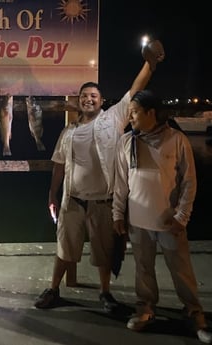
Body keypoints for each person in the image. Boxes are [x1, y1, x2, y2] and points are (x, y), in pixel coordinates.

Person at [34, 55, 163, 310]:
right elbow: (59, 165)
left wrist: (150, 64)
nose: (88, 99)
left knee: (103, 251)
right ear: (78, 101)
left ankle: (105, 293)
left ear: (101, 100)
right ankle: (53, 289)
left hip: (103, 201)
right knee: (64, 248)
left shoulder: (113, 119)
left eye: (93, 95)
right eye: (84, 96)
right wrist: (52, 195)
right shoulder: (68, 132)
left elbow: (135, 89)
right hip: (72, 200)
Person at [112, 90, 212, 343]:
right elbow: (121, 183)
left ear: (151, 113)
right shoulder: (126, 141)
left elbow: (189, 182)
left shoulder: (177, 140)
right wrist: (117, 214)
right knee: (143, 269)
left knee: (181, 271)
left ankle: (194, 313)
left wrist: (182, 216)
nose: (130, 117)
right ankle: (145, 309)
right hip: (137, 221)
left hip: (170, 222)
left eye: (134, 112)